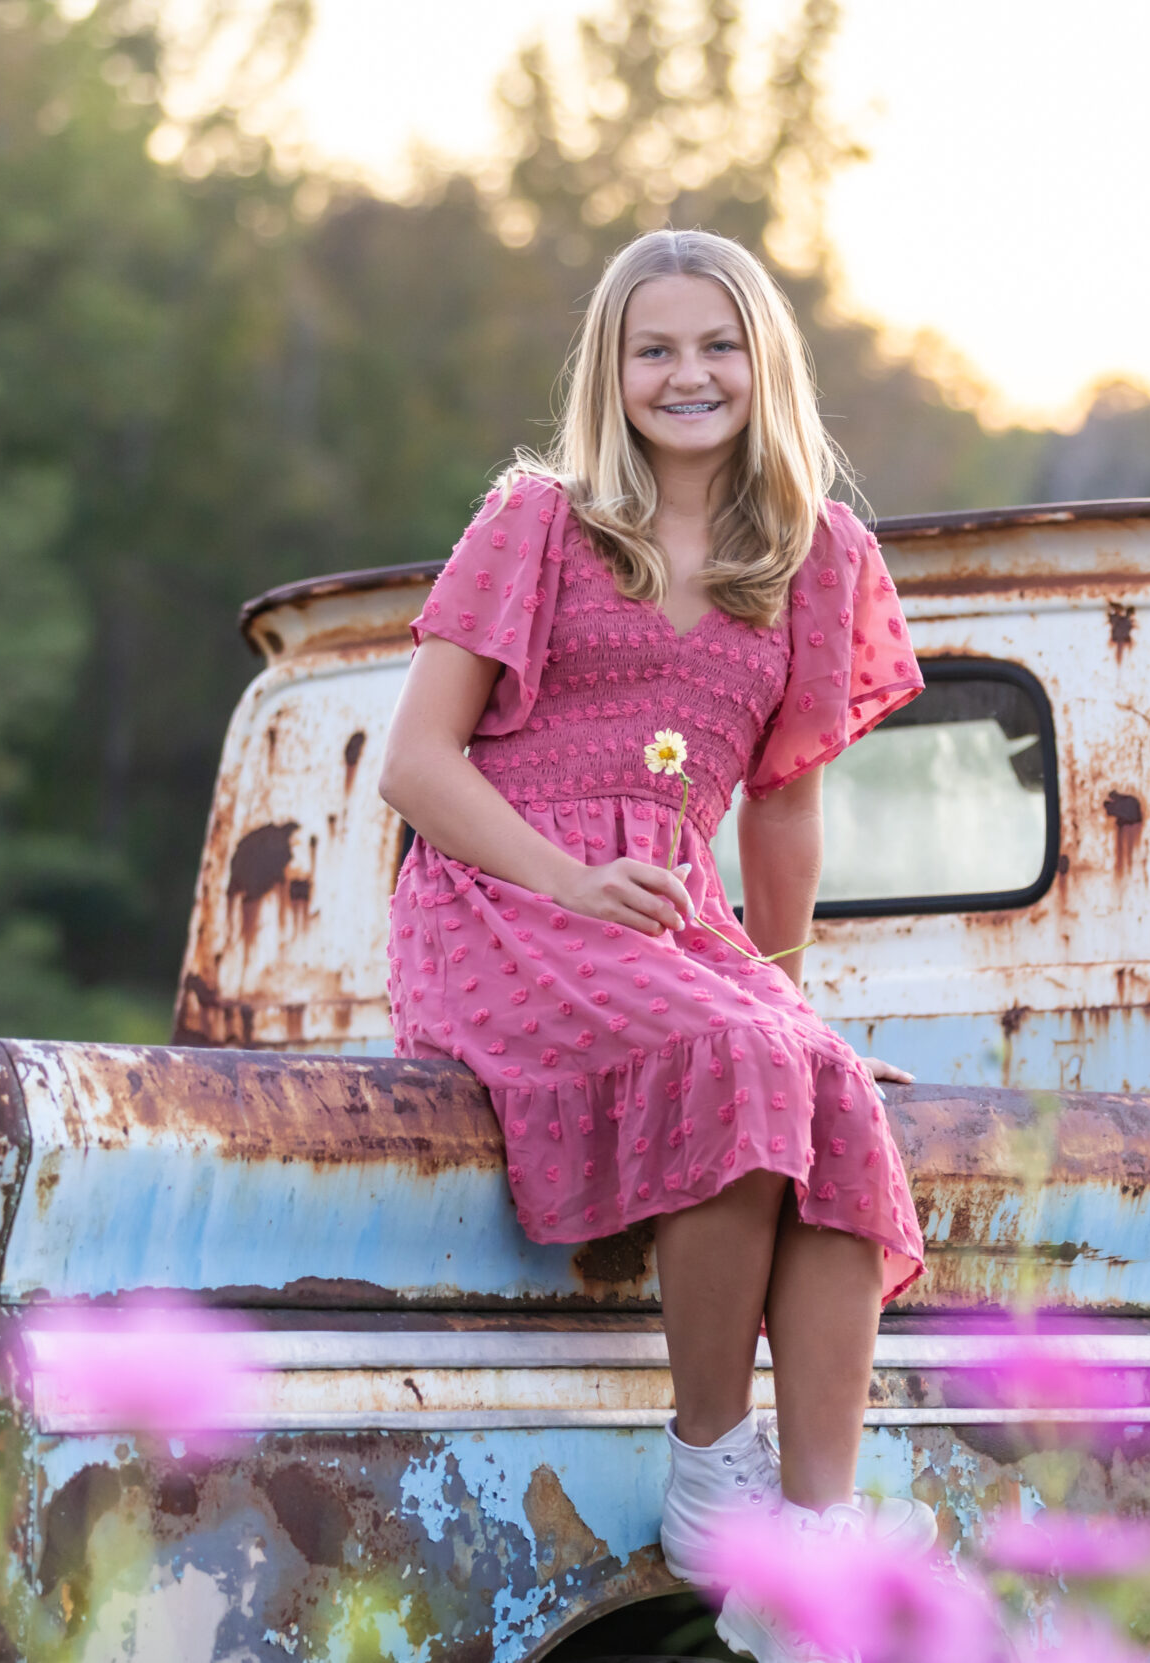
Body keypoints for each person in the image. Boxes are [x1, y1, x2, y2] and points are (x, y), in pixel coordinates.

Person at [378, 228, 931, 1662]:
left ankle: (812, 1540)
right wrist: (571, 874)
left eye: (718, 346)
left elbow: (787, 809)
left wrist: (795, 993)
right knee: (738, 1056)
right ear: (611, 373)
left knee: (830, 1102)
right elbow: (418, 766)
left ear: (766, 365)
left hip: (674, 919)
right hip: (500, 896)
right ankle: (710, 1468)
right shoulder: (539, 522)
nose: (689, 375)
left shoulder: (817, 555)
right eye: (655, 349)